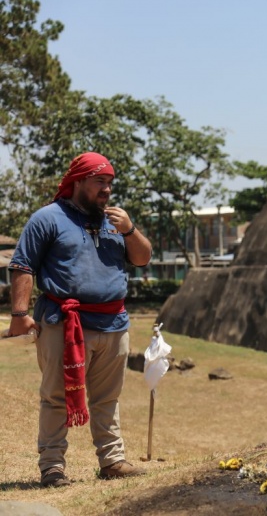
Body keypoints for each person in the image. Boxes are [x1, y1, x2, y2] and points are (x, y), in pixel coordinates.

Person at [7, 152, 153, 487]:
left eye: (110, 183)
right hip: (63, 322)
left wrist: (130, 230)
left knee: (108, 398)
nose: (107, 190)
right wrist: (19, 315)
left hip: (114, 323)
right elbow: (23, 265)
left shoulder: (116, 221)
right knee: (56, 396)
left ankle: (113, 461)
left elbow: (143, 258)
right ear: (78, 182)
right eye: (100, 182)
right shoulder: (48, 218)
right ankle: (53, 466)